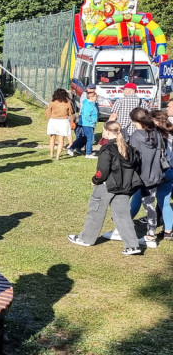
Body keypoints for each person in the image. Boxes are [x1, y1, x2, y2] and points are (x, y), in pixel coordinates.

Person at [68, 120, 144, 255]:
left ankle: (86, 238)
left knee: (96, 210)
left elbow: (102, 171)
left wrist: (95, 180)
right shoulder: (129, 148)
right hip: (125, 187)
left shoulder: (107, 149)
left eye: (103, 130)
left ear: (108, 131)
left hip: (107, 185)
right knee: (123, 215)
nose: (102, 132)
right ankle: (133, 245)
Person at [128, 107, 163, 248]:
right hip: (155, 175)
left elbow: (133, 158)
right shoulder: (156, 133)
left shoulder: (136, 135)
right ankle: (150, 235)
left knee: (122, 201)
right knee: (150, 206)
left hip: (140, 176)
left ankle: (122, 230)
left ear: (134, 120)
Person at [153, 109, 173, 243]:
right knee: (165, 203)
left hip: (159, 170)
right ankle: (168, 231)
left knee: (141, 197)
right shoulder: (171, 132)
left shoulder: (157, 135)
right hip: (170, 170)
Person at [69, 84, 99, 158]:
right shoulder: (88, 105)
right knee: (91, 138)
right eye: (95, 96)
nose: (96, 97)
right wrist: (92, 120)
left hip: (89, 124)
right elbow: (86, 115)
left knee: (84, 138)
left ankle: (71, 148)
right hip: (87, 124)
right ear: (91, 97)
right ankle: (88, 153)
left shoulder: (92, 104)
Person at [45, 88, 75, 160]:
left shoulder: (52, 102)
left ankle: (51, 153)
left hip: (53, 121)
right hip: (63, 121)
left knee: (52, 137)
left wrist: (49, 118)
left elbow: (48, 111)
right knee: (61, 140)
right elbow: (71, 113)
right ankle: (58, 156)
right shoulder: (68, 103)